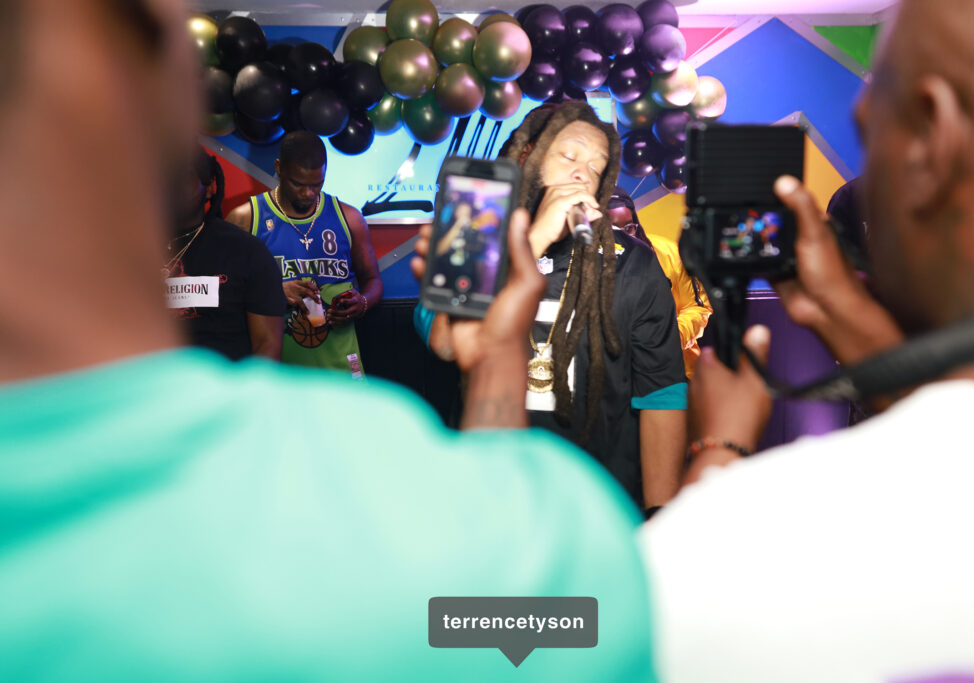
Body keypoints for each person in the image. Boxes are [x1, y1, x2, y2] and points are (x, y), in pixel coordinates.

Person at [0, 1, 658, 680]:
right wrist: (498, 359)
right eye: (568, 154)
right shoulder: (398, 489)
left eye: (593, 162)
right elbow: (538, 619)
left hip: (341, 367)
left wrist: (362, 301)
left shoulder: (350, 228)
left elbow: (376, 290)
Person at [644, 1, 974, 680]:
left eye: (871, 132)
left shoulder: (779, 542)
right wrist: (858, 326)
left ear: (932, 137)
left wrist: (719, 449)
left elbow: (562, 632)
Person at [416, 102, 688, 515]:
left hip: (598, 502)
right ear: (528, 155)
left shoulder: (634, 263)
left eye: (596, 167)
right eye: (569, 155)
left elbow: (660, 395)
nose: (583, 173)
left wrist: (659, 518)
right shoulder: (470, 234)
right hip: (489, 498)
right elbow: (446, 343)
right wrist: (536, 237)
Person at [226, 131, 382, 377]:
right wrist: (273, 293)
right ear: (279, 168)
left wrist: (361, 303)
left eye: (316, 184)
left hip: (341, 371)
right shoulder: (246, 219)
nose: (308, 193)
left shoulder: (349, 218)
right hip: (278, 375)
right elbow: (226, 295)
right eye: (298, 184)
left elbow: (373, 280)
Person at [166, 147, 286, 360]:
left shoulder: (246, 251)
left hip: (225, 378)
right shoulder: (133, 251)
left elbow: (267, 345)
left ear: (209, 188)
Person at [607, 187, 711, 379]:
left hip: (673, 374)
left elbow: (697, 308)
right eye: (611, 231)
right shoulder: (582, 261)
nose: (622, 238)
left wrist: (670, 338)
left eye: (628, 228)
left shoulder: (669, 253)